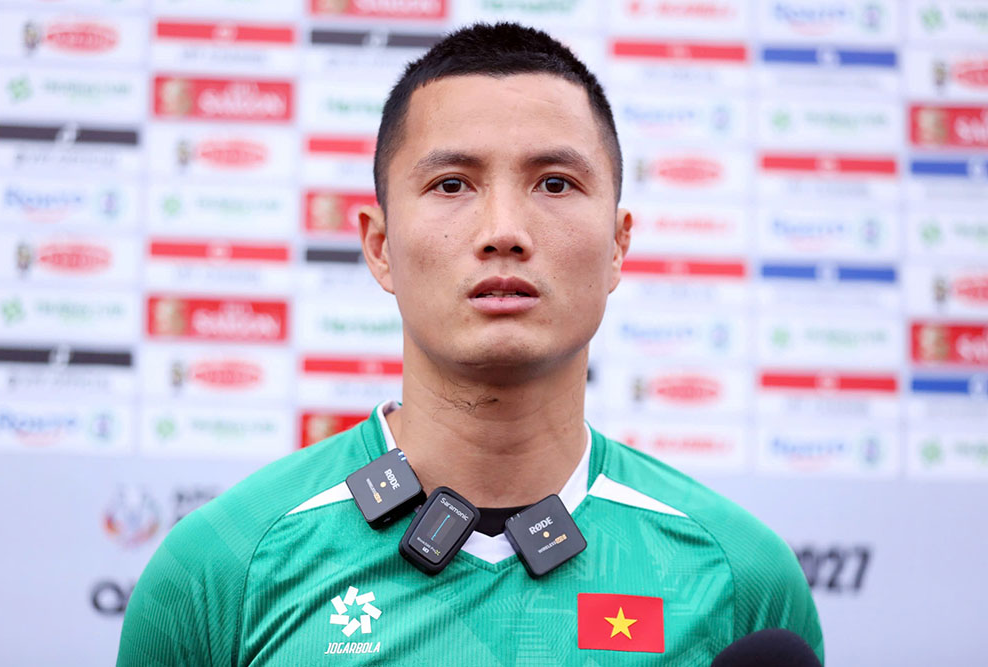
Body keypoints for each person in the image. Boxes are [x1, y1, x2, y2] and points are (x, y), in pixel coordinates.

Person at [118, 22, 823, 665]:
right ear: (381, 245)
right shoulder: (219, 567)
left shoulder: (739, 575)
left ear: (616, 245)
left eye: (555, 182)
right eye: (452, 183)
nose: (504, 229)